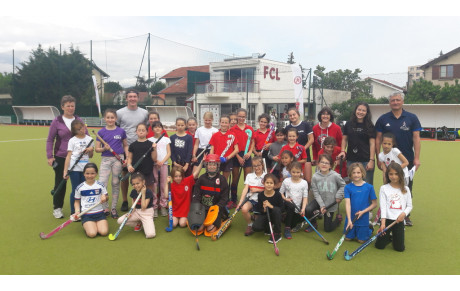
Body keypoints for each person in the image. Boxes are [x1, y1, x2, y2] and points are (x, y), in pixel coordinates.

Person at [375, 92, 421, 226]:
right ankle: (388, 214)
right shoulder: (383, 119)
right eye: (393, 100)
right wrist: (379, 159)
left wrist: (417, 158)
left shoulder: (412, 118)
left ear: (402, 101)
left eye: (398, 100)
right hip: (389, 163)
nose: (395, 102)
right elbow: (378, 139)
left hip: (406, 161)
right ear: (389, 103)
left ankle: (405, 215)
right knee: (388, 188)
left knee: (406, 188)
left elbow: (416, 138)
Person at [46, 95, 87, 219]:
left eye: (72, 105)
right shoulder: (57, 121)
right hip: (61, 156)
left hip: (78, 158)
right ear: (62, 107)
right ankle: (57, 208)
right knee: (60, 183)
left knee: (80, 184)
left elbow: (86, 135)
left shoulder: (79, 119)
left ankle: (80, 208)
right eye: (68, 105)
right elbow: (50, 139)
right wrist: (49, 156)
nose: (70, 108)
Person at [117, 89, 149, 212]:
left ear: (138, 98)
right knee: (125, 175)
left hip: (141, 149)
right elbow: (117, 129)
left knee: (142, 175)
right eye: (130, 96)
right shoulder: (120, 113)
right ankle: (125, 200)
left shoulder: (144, 113)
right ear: (126, 98)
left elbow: (146, 128)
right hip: (126, 149)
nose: (132, 99)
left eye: (134, 96)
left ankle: (143, 200)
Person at [95, 109, 128, 219]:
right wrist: (104, 148)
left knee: (115, 183)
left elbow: (125, 146)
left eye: (112, 117)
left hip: (118, 159)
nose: (110, 119)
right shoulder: (101, 132)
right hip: (105, 159)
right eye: (108, 117)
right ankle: (105, 207)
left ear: (116, 119)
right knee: (102, 183)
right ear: (105, 119)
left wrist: (126, 158)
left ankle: (113, 208)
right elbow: (97, 149)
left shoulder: (121, 131)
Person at [375, 162, 412, 252]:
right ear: (387, 175)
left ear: (400, 174)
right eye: (391, 174)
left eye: (396, 174)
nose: (393, 176)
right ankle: (388, 237)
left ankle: (393, 237)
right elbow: (383, 207)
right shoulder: (384, 188)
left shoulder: (405, 189)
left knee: (399, 248)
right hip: (387, 220)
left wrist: (403, 214)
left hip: (398, 221)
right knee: (379, 246)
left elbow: (409, 206)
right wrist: (382, 224)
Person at [126, 123, 157, 227]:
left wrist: (154, 148)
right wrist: (129, 165)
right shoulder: (133, 145)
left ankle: (150, 211)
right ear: (136, 132)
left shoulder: (150, 144)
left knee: (149, 192)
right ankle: (137, 214)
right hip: (136, 173)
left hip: (147, 171)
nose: (141, 132)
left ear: (147, 132)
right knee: (137, 192)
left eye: (143, 130)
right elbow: (129, 158)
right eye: (139, 130)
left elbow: (154, 158)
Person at [338, 102, 376, 185]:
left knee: (367, 186)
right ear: (355, 110)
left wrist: (371, 160)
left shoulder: (370, 126)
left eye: (363, 110)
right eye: (359, 110)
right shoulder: (348, 124)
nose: (361, 112)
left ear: (367, 113)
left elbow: (372, 144)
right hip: (351, 159)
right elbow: (344, 139)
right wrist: (342, 151)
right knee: (352, 185)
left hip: (366, 160)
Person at [191, 154, 229, 235]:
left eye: (214, 165)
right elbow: (196, 195)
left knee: (210, 229)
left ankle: (222, 217)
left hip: (215, 209)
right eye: (210, 164)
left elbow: (225, 198)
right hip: (203, 208)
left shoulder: (222, 180)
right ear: (206, 165)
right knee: (199, 228)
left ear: (217, 166)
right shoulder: (201, 178)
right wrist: (197, 206)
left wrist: (217, 207)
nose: (212, 167)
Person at [306, 154, 345, 233]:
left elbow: (343, 186)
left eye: (326, 163)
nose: (324, 164)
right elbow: (315, 192)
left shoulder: (335, 176)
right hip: (319, 201)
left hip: (331, 203)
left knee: (327, 229)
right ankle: (313, 224)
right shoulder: (315, 177)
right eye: (322, 162)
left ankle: (338, 220)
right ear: (318, 164)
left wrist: (338, 196)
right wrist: (322, 205)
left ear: (330, 165)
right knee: (308, 209)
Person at [64, 120, 94, 216]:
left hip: (86, 169)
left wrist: (90, 150)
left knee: (84, 189)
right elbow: (68, 156)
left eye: (83, 127)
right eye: (80, 128)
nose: (83, 130)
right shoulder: (72, 140)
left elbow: (91, 156)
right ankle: (74, 211)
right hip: (74, 169)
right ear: (75, 130)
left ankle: (83, 209)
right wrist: (65, 171)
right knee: (76, 190)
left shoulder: (90, 139)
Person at [73, 163, 109, 238]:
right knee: (92, 234)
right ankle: (88, 225)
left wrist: (104, 197)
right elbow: (77, 202)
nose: (90, 176)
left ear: (96, 173)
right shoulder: (80, 187)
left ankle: (94, 225)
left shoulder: (100, 185)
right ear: (84, 174)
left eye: (92, 173)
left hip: (99, 213)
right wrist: (77, 211)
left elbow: (107, 197)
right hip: (87, 215)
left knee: (104, 232)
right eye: (87, 173)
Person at [344, 163, 377, 243]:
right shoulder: (347, 187)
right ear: (350, 174)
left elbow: (374, 204)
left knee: (361, 241)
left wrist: (363, 212)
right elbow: (347, 204)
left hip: (363, 217)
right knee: (347, 238)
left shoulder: (369, 187)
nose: (356, 175)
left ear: (362, 173)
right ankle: (352, 228)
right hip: (351, 217)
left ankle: (369, 228)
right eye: (354, 173)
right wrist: (349, 220)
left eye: (358, 172)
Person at [166, 158, 205, 228]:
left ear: (182, 176)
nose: (178, 178)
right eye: (176, 176)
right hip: (175, 210)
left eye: (180, 176)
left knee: (182, 224)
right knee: (173, 224)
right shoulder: (171, 185)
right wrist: (167, 183)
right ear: (172, 177)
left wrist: (201, 163)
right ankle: (176, 219)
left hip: (185, 210)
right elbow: (166, 195)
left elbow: (195, 174)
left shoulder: (187, 181)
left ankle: (185, 218)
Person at [229, 108, 255, 209]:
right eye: (239, 116)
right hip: (236, 155)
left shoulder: (249, 128)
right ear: (236, 116)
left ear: (245, 117)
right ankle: (233, 200)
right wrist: (238, 156)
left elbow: (252, 142)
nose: (241, 118)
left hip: (247, 155)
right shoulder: (232, 129)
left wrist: (249, 152)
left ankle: (248, 200)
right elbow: (231, 145)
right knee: (235, 179)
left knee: (247, 179)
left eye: (243, 117)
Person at [116, 172, 156, 238]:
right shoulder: (133, 192)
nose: (136, 186)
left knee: (150, 235)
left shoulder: (148, 192)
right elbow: (133, 206)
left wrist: (143, 194)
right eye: (133, 184)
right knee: (120, 220)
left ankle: (146, 223)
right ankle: (139, 223)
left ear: (143, 182)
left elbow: (143, 207)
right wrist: (130, 213)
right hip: (137, 212)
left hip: (147, 213)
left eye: (138, 183)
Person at [236, 156, 266, 236]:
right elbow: (245, 189)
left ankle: (256, 217)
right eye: (255, 166)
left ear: (262, 165)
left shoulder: (266, 176)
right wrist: (241, 202)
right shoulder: (249, 176)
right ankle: (250, 225)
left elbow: (269, 190)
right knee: (244, 209)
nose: (257, 167)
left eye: (258, 165)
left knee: (259, 223)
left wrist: (257, 190)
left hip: (262, 201)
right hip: (251, 199)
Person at [252, 174, 284, 244]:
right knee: (255, 227)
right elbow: (260, 210)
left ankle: (277, 234)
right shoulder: (260, 195)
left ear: (274, 184)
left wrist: (270, 206)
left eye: (271, 183)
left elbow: (281, 209)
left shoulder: (278, 194)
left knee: (276, 210)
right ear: (264, 183)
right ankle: (268, 227)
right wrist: (264, 209)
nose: (269, 185)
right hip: (266, 215)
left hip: (276, 215)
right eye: (267, 183)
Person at [279, 162, 309, 239]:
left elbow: (305, 197)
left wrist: (303, 209)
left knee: (294, 223)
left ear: (301, 172)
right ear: (290, 172)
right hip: (287, 203)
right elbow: (281, 193)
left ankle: (284, 218)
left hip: (297, 207)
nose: (295, 174)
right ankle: (287, 229)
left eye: (298, 172)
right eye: (293, 172)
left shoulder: (304, 183)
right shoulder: (286, 181)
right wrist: (286, 199)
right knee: (291, 207)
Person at [285, 107, 314, 183]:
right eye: (290, 115)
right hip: (292, 157)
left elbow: (311, 139)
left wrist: (303, 149)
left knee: (307, 179)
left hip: (304, 155)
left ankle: (306, 194)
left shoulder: (305, 125)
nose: (292, 117)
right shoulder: (288, 128)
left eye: (294, 114)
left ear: (298, 114)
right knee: (293, 179)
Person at [148, 121, 171, 217]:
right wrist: (156, 161)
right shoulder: (149, 140)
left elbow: (169, 153)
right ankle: (154, 206)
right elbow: (150, 154)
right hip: (154, 165)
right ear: (152, 129)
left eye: (159, 127)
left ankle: (163, 205)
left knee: (163, 185)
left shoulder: (166, 139)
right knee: (154, 185)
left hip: (164, 164)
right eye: (155, 127)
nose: (157, 129)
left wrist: (162, 161)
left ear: (162, 128)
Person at [209, 115, 239, 180]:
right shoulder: (215, 135)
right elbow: (212, 149)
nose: (224, 124)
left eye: (226, 123)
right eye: (222, 122)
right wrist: (212, 159)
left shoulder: (232, 135)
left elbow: (236, 150)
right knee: (215, 179)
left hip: (227, 161)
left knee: (224, 180)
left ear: (229, 124)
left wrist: (227, 158)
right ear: (220, 123)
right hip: (216, 161)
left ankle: (224, 190)